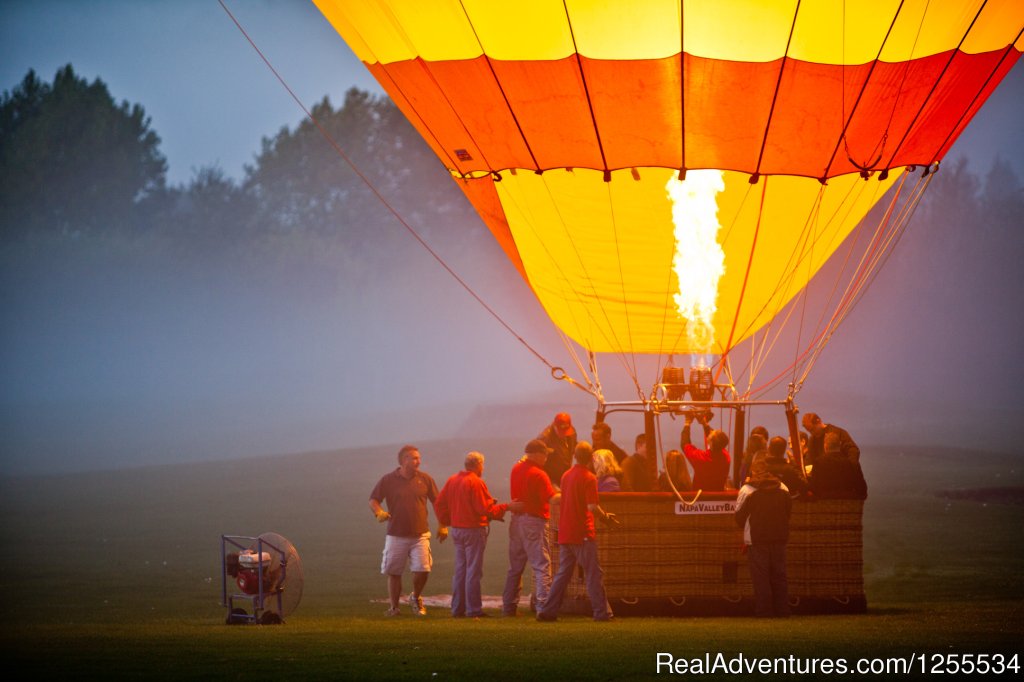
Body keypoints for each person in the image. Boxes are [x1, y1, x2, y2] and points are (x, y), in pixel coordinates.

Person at [536, 442, 618, 622]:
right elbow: (592, 507)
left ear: (574, 455)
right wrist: (605, 518)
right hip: (583, 533)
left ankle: (548, 611)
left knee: (563, 575)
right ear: (590, 458)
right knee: (593, 574)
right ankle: (601, 613)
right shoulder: (589, 478)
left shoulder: (566, 476)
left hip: (566, 532)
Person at [369, 444, 446, 617]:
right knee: (394, 571)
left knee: (423, 569)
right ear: (404, 460)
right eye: (414, 458)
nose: (418, 461)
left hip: (420, 534)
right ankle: (394, 608)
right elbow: (373, 499)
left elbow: (438, 502)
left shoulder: (425, 479)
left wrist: (443, 524)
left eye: (418, 457)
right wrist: (379, 512)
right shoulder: (388, 480)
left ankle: (415, 597)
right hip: (396, 534)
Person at [435, 451, 514, 618]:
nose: (483, 468)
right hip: (473, 531)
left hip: (457, 530)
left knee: (460, 570)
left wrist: (447, 520)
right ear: (478, 464)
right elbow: (483, 509)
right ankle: (473, 610)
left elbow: (439, 503)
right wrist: (505, 507)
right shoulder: (476, 482)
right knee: (473, 571)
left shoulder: (452, 480)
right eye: (482, 465)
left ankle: (457, 609)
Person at [502, 439, 557, 617]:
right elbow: (551, 498)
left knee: (515, 568)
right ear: (536, 454)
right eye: (545, 454)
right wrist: (569, 495)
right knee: (542, 566)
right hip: (534, 522)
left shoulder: (516, 468)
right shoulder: (539, 474)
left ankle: (509, 607)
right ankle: (544, 608)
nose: (547, 457)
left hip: (516, 521)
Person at [735, 452, 792, 617]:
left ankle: (764, 610)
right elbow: (788, 511)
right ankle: (783, 609)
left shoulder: (747, 490)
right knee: (779, 575)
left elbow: (739, 517)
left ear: (752, 470)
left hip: (757, 538)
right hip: (780, 536)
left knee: (761, 577)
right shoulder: (783, 487)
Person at [809, 432, 868, 500]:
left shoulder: (818, 462)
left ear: (825, 446)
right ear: (840, 445)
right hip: (847, 504)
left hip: (825, 503)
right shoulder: (851, 463)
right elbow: (862, 489)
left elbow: (814, 487)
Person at [681, 412, 731, 491]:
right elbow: (716, 440)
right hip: (718, 497)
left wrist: (687, 423)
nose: (710, 432)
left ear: (710, 442)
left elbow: (685, 445)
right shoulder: (726, 457)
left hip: (700, 499)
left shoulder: (701, 458)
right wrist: (704, 423)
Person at [538, 412, 577, 487]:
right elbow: (537, 462)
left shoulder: (572, 432)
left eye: (566, 431)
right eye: (561, 432)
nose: (564, 434)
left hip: (565, 475)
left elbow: (573, 445)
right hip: (551, 479)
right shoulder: (544, 439)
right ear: (554, 426)